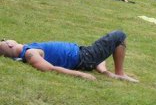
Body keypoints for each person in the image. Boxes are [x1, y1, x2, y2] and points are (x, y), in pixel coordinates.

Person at [0, 31, 138, 82]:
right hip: (83, 58)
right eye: (5, 40)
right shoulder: (30, 54)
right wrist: (80, 75)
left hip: (82, 52)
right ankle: (119, 74)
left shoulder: (26, 48)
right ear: (10, 45)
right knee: (119, 36)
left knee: (102, 51)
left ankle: (104, 71)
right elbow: (50, 69)